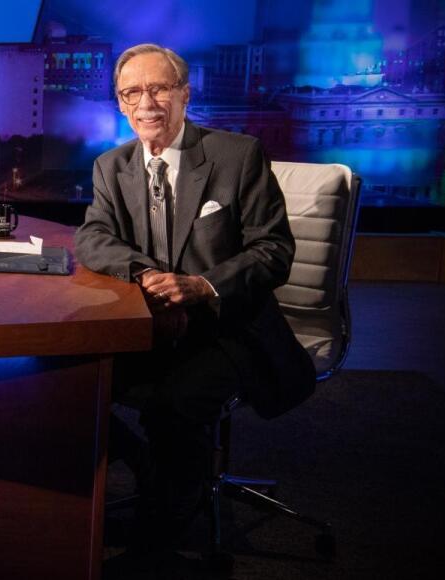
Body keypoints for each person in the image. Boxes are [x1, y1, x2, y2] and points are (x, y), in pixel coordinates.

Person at [74, 44, 315, 573]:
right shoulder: (111, 166)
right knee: (66, 379)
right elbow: (93, 237)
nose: (146, 104)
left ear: (185, 94)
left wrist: (202, 286)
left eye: (158, 89)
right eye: (131, 93)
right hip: (153, 325)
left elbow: (274, 251)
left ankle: (157, 554)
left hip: (229, 328)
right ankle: (151, 470)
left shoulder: (237, 155)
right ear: (120, 104)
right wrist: (145, 275)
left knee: (174, 408)